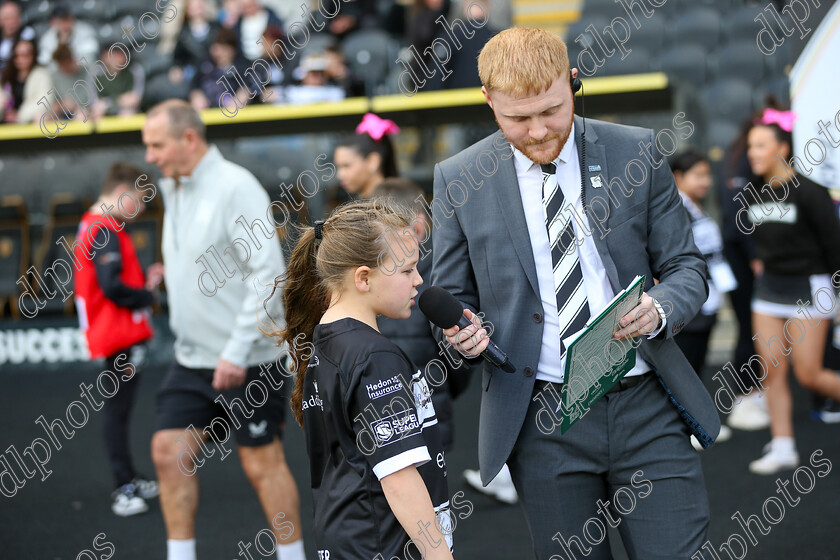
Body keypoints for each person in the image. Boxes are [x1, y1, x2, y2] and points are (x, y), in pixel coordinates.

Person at [431, 27, 719, 559]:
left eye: (552, 110)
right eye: (518, 118)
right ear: (488, 101)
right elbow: (451, 294)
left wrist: (659, 308)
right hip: (542, 419)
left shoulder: (636, 150)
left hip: (647, 404)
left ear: (573, 82)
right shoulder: (458, 177)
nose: (540, 131)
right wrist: (460, 331)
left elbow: (686, 268)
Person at [141, 99, 305, 560]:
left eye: (156, 145)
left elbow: (268, 274)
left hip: (248, 360)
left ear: (188, 139)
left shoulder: (235, 186)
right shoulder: (173, 184)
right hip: (193, 359)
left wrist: (236, 351)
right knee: (167, 453)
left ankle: (293, 556)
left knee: (261, 462)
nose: (149, 156)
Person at [272, 198, 454, 560]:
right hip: (383, 544)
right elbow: (399, 479)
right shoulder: (375, 357)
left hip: (346, 538)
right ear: (363, 278)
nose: (419, 280)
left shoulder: (324, 342)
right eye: (406, 271)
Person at [744, 108, 840, 474]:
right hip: (769, 289)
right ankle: (783, 446)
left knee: (809, 374)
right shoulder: (753, 192)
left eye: (760, 146)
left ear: (781, 148)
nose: (752, 153)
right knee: (771, 372)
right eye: (751, 146)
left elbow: (834, 245)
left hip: (810, 288)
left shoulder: (811, 192)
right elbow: (757, 239)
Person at [74, 163, 164, 516]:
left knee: (121, 409)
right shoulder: (102, 229)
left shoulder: (97, 225)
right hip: (117, 337)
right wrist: (148, 298)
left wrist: (144, 284)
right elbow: (111, 286)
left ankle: (128, 477)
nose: (140, 208)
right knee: (117, 410)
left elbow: (111, 279)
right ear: (122, 192)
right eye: (139, 200)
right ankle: (123, 487)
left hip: (116, 333)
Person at [373, 178, 462, 452]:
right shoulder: (443, 275)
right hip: (429, 413)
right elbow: (457, 357)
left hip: (379, 419)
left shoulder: (367, 282)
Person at [670, 150, 736, 451]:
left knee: (696, 369)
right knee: (684, 371)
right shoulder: (673, 211)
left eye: (708, 175)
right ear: (678, 178)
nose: (706, 182)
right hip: (690, 307)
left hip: (707, 302)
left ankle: (695, 424)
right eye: (699, 175)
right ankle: (686, 429)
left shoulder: (696, 207)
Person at [333, 113, 400, 199]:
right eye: (338, 167)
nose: (340, 175)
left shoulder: (394, 205)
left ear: (373, 161)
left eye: (346, 166)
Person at [0, 38, 52, 123]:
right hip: (5, 120)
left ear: (33, 55)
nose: (20, 59)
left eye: (25, 55)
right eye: (16, 55)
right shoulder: (7, 75)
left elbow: (44, 101)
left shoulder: (41, 75)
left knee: (41, 117)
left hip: (29, 121)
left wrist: (19, 116)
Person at [92, 43, 145, 117]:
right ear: (103, 56)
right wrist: (119, 100)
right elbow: (96, 103)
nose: (117, 59)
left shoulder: (135, 69)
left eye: (120, 55)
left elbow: (135, 99)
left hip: (127, 110)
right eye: (113, 55)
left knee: (127, 114)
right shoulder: (97, 72)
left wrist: (108, 102)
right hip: (104, 112)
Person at [0, 1, 35, 72]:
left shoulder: (27, 34)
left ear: (20, 19)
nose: (10, 22)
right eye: (7, 18)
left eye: (13, 18)